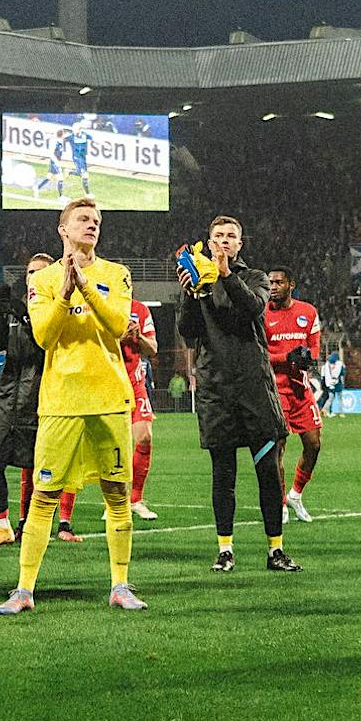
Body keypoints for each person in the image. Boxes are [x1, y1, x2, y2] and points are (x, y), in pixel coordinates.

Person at [0, 197, 145, 615]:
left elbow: (119, 326)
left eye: (96, 220)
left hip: (109, 398)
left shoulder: (116, 273)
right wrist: (64, 294)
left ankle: (120, 585)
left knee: (116, 493)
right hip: (61, 401)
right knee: (44, 494)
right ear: (63, 229)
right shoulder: (43, 279)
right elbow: (43, 336)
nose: (91, 225)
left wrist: (84, 286)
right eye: (82, 219)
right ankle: (24, 590)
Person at [177, 216, 297, 575]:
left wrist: (226, 274)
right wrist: (190, 294)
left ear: (240, 245)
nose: (224, 241)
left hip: (253, 388)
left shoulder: (256, 277)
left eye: (231, 236)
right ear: (209, 241)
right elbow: (187, 330)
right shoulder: (199, 283)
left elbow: (253, 308)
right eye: (218, 236)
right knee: (223, 474)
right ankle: (225, 550)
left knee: (268, 471)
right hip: (216, 389)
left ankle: (276, 549)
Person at [0, 258, 51, 549]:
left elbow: (49, 345)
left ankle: (33, 526)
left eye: (40, 272)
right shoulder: (15, 310)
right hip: (8, 398)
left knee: (40, 471)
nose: (33, 276)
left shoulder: (58, 307)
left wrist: (26, 319)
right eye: (30, 272)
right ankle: (3, 526)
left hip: (41, 399)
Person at [263, 266, 324, 524]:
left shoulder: (308, 312)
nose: (273, 287)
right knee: (277, 449)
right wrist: (285, 358)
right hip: (275, 391)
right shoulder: (262, 314)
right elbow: (260, 356)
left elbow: (315, 349)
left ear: (291, 285)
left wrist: (306, 358)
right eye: (270, 282)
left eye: (278, 282)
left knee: (313, 444)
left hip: (300, 389)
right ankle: (280, 504)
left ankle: (296, 494)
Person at [122, 296, 160, 520]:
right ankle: (115, 502)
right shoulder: (102, 303)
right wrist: (119, 337)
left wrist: (138, 336)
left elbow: (152, 349)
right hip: (109, 384)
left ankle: (135, 500)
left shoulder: (140, 310)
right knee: (111, 447)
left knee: (145, 437)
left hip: (135, 384)